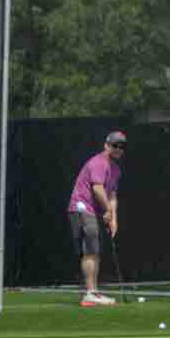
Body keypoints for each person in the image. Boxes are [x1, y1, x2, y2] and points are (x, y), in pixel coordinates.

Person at [67, 131, 125, 308]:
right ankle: (90, 293)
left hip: (92, 210)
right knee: (91, 249)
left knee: (94, 249)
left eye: (121, 146)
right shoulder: (99, 162)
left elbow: (112, 194)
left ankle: (92, 291)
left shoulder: (115, 169)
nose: (118, 149)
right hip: (81, 207)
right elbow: (98, 189)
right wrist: (107, 210)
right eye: (115, 145)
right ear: (106, 145)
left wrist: (113, 218)